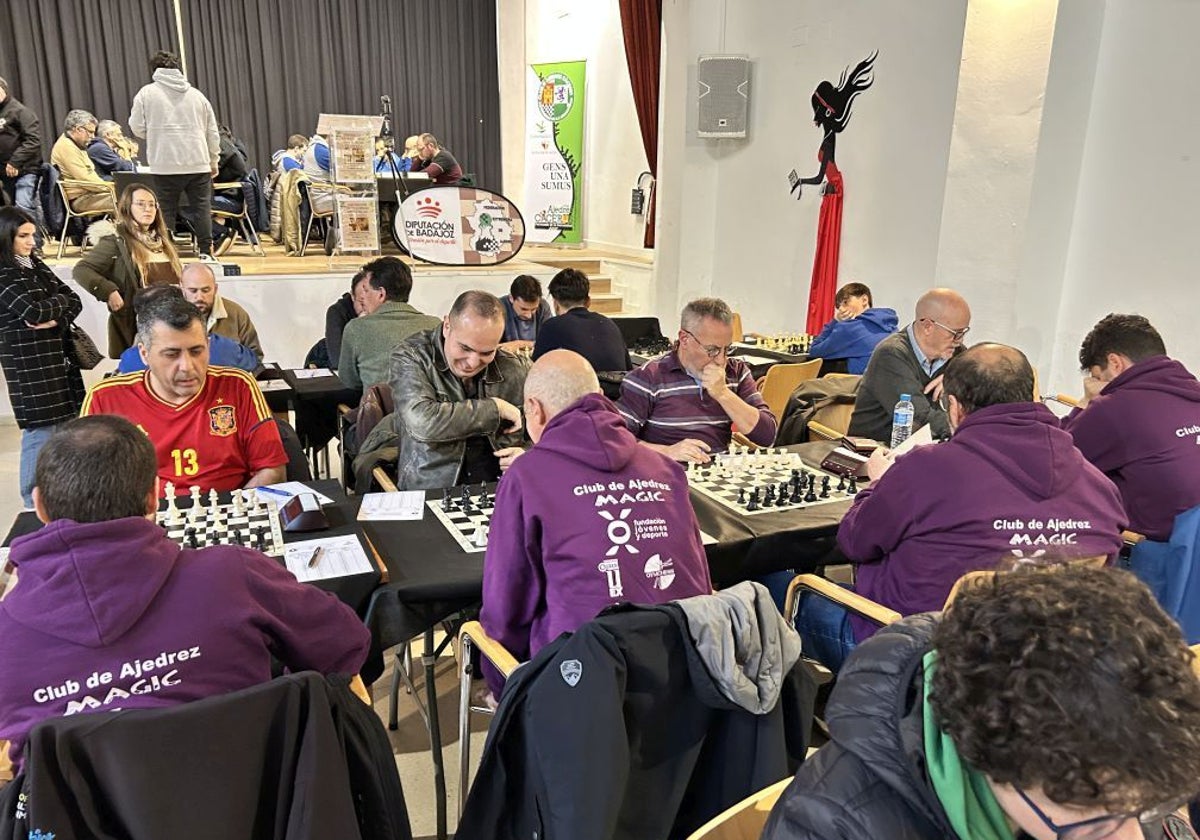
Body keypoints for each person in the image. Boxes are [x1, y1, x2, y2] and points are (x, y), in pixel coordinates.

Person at [0, 414, 370, 772]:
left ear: (40, 506)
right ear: (154, 498)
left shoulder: (6, 632)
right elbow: (345, 643)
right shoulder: (233, 574)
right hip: (252, 808)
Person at [763, 565, 1200, 840]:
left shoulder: (1136, 754)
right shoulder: (832, 823)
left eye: (1143, 806)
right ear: (986, 758)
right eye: (1095, 824)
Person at [804, 343, 1126, 668]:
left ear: (955, 408)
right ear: (1031, 396)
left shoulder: (923, 470)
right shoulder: (1099, 487)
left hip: (918, 663)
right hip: (1045, 669)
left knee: (779, 590)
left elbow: (854, 541)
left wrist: (878, 483)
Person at [480, 350, 713, 696]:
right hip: (683, 683)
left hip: (577, 691)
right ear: (602, 400)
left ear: (534, 408)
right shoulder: (665, 469)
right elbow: (701, 583)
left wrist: (502, 684)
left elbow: (506, 608)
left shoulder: (525, 477)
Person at [81, 293, 287, 493]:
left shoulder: (239, 385)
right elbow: (91, 487)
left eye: (197, 351)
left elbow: (271, 469)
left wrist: (233, 515)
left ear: (208, 345)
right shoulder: (104, 399)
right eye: (172, 354)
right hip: (144, 520)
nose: (187, 366)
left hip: (228, 513)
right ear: (144, 355)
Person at [1062, 314, 1200, 542]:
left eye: (1098, 376)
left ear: (1115, 363)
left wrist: (1085, 402)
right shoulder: (1193, 390)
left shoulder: (1115, 408)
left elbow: (1056, 460)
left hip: (1158, 557)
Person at [389, 290, 528, 490]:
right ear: (447, 327)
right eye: (465, 348)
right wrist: (495, 409)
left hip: (501, 487)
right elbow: (422, 422)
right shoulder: (411, 356)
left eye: (487, 352)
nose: (472, 363)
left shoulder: (513, 367)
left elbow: (546, 431)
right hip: (432, 487)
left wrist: (527, 455)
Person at [618, 297, 776, 463]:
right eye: (712, 350)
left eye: (727, 349)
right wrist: (666, 451)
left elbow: (768, 437)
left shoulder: (736, 372)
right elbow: (613, 440)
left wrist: (723, 394)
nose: (721, 360)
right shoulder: (648, 378)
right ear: (685, 339)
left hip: (716, 477)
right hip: (665, 475)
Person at [0, 207, 85, 507]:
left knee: (66, 429)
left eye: (32, 235)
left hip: (58, 361)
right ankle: (30, 501)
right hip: (28, 368)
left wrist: (54, 318)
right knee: (39, 433)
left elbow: (74, 300)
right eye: (23, 236)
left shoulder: (34, 265)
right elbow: (32, 311)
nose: (31, 242)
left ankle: (62, 496)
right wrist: (55, 309)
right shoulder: (3, 272)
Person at [847, 287, 971, 443]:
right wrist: (971, 429)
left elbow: (985, 394)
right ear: (927, 326)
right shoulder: (891, 354)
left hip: (925, 450)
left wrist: (956, 377)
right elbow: (920, 417)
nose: (960, 340)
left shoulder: (956, 353)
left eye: (963, 333)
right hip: (874, 451)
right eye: (955, 333)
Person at [129, 50, 221, 259]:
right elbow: (212, 132)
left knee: (165, 210)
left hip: (164, 162)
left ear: (154, 70)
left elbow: (136, 127)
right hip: (198, 161)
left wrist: (155, 135)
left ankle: (168, 253)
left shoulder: (146, 93)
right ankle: (206, 252)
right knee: (202, 208)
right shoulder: (197, 95)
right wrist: (213, 159)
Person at [73, 183, 183, 357]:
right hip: (137, 327)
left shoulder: (164, 241)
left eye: (152, 204)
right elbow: (82, 270)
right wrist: (109, 291)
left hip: (172, 323)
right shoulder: (116, 241)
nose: (148, 209)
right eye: (140, 204)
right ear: (127, 207)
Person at [338, 256, 439, 391]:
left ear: (381, 294)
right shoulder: (436, 325)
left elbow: (349, 381)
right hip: (429, 410)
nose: (363, 297)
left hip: (383, 410)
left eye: (366, 290)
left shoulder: (356, 329)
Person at [116, 285, 257, 374]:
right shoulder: (226, 348)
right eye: (171, 354)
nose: (186, 366)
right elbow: (253, 362)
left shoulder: (130, 359)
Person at [531, 268, 630, 372]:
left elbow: (536, 372)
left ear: (555, 304)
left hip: (583, 386)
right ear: (588, 302)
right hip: (617, 387)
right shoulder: (610, 325)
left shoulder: (552, 326)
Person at [179, 261, 265, 363]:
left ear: (215, 289)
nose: (199, 297)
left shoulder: (236, 314)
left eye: (206, 290)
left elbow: (256, 359)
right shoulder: (168, 316)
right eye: (193, 291)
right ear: (182, 288)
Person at [806, 282, 897, 374]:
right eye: (838, 306)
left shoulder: (849, 328)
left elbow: (814, 351)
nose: (841, 309)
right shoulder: (892, 327)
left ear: (864, 300)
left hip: (856, 384)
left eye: (845, 302)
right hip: (884, 381)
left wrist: (835, 321)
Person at [0, 77, 43, 244]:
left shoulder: (20, 111)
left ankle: (35, 244)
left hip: (25, 169)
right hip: (5, 172)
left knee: (24, 206)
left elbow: (33, 141)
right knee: (13, 210)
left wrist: (15, 162)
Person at [50, 109, 116, 214]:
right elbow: (87, 181)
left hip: (90, 195)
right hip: (80, 200)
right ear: (78, 129)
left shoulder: (77, 144)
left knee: (130, 198)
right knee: (126, 200)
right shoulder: (66, 147)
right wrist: (113, 187)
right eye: (90, 132)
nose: (93, 137)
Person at [324, 270, 366, 370]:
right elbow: (338, 362)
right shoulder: (338, 312)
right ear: (352, 296)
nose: (367, 308)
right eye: (362, 303)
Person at [499, 274, 552, 353]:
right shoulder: (497, 308)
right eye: (524, 309)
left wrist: (519, 344)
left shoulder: (543, 306)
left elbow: (550, 342)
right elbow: (491, 347)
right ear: (511, 298)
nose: (529, 316)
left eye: (534, 309)